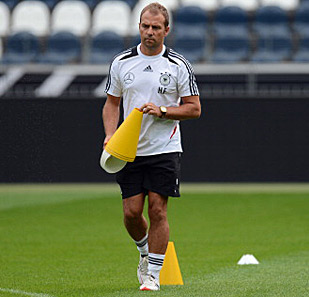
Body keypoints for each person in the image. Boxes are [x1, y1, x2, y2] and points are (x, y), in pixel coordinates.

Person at [102, 2, 201, 291]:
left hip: (165, 147)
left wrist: (163, 110)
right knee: (132, 213)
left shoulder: (178, 65)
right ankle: (145, 253)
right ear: (139, 27)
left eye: (156, 27)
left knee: (158, 210)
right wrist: (110, 135)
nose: (150, 31)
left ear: (166, 30)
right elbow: (111, 103)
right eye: (145, 26)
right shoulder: (121, 62)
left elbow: (194, 109)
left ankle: (153, 276)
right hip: (129, 149)